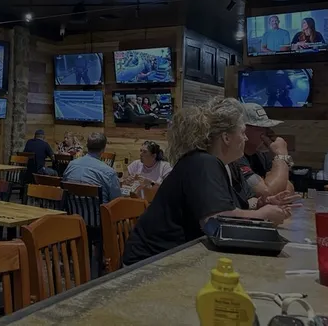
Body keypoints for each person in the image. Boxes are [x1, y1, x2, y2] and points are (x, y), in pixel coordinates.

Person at [122, 98, 297, 266]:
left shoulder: (218, 164)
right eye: (242, 133)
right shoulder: (204, 162)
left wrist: (260, 205)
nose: (245, 139)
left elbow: (228, 209)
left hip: (170, 257)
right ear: (226, 137)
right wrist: (262, 215)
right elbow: (214, 221)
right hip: (147, 264)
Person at [229, 103, 296, 204]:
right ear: (243, 129)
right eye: (261, 127)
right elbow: (267, 193)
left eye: (268, 127)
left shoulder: (262, 155)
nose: (269, 132)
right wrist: (281, 157)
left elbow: (288, 191)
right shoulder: (235, 158)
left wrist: (276, 184)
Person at [62, 132, 121, 203]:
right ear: (103, 149)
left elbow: (63, 188)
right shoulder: (109, 173)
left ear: (87, 146)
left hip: (72, 209)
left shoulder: (71, 165)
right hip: (99, 210)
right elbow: (117, 202)